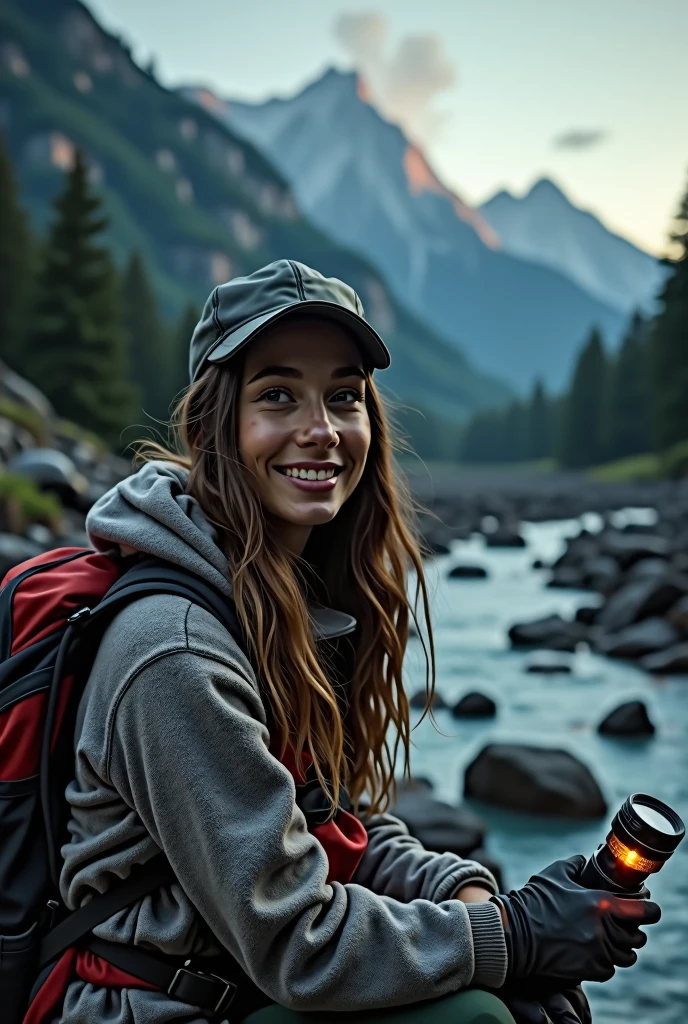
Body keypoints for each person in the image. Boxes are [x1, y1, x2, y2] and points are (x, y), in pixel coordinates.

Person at [53, 260, 659, 1024]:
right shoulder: (175, 652)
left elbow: (340, 828)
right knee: (477, 1019)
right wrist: (514, 936)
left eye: (344, 397)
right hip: (153, 1005)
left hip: (240, 982)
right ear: (210, 428)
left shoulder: (286, 600)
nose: (322, 430)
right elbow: (299, 943)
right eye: (278, 396)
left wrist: (469, 898)